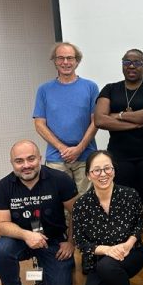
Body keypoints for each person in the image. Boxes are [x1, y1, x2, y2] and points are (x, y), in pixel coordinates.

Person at [94, 49, 143, 278]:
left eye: (137, 62)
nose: (132, 65)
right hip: (121, 157)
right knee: (124, 205)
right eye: (127, 61)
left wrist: (118, 116)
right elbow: (100, 120)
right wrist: (135, 121)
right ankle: (129, 250)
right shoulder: (110, 89)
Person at [0, 140, 77, 285]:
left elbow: (77, 213)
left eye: (31, 159)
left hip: (54, 240)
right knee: (1, 250)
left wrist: (71, 242)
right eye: (19, 161)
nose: (26, 165)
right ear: (12, 163)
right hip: (20, 239)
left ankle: (45, 267)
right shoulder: (3, 187)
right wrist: (26, 235)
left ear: (40, 158)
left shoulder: (60, 179)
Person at [72, 150, 143, 285]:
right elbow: (80, 241)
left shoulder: (130, 195)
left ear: (114, 170)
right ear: (88, 175)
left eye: (107, 168)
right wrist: (107, 250)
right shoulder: (81, 205)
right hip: (98, 261)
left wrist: (128, 244)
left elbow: (139, 222)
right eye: (96, 170)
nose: (103, 174)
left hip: (130, 253)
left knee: (108, 266)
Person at [33, 41, 99, 194]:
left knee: (87, 202)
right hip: (56, 159)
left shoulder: (90, 87)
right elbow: (39, 124)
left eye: (70, 58)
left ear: (77, 61)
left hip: (85, 156)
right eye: (60, 58)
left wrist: (79, 148)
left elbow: (96, 121)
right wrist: (62, 148)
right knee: (59, 202)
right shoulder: (44, 90)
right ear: (55, 61)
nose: (65, 62)